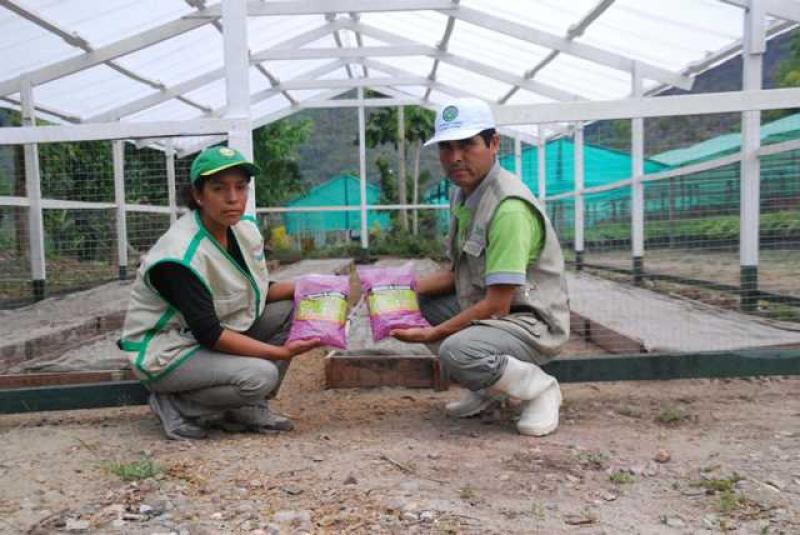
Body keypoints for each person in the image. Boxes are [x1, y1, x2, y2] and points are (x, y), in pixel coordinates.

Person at [391, 98, 570, 436]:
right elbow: (456, 274)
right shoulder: (464, 195)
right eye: (447, 147)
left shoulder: (508, 208)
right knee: (417, 302)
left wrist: (433, 334)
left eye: (467, 145)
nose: (455, 157)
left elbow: (498, 304)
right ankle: (489, 387)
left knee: (457, 351)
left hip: (531, 322)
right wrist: (396, 290)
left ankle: (540, 389)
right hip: (497, 314)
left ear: (494, 143)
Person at [119, 146, 319, 440]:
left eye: (240, 187)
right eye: (219, 188)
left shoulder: (241, 229)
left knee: (293, 306)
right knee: (262, 375)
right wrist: (281, 353)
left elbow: (256, 291)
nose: (233, 198)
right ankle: (176, 404)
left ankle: (247, 406)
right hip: (167, 350)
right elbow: (209, 333)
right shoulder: (181, 254)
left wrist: (311, 285)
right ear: (198, 195)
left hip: (205, 332)